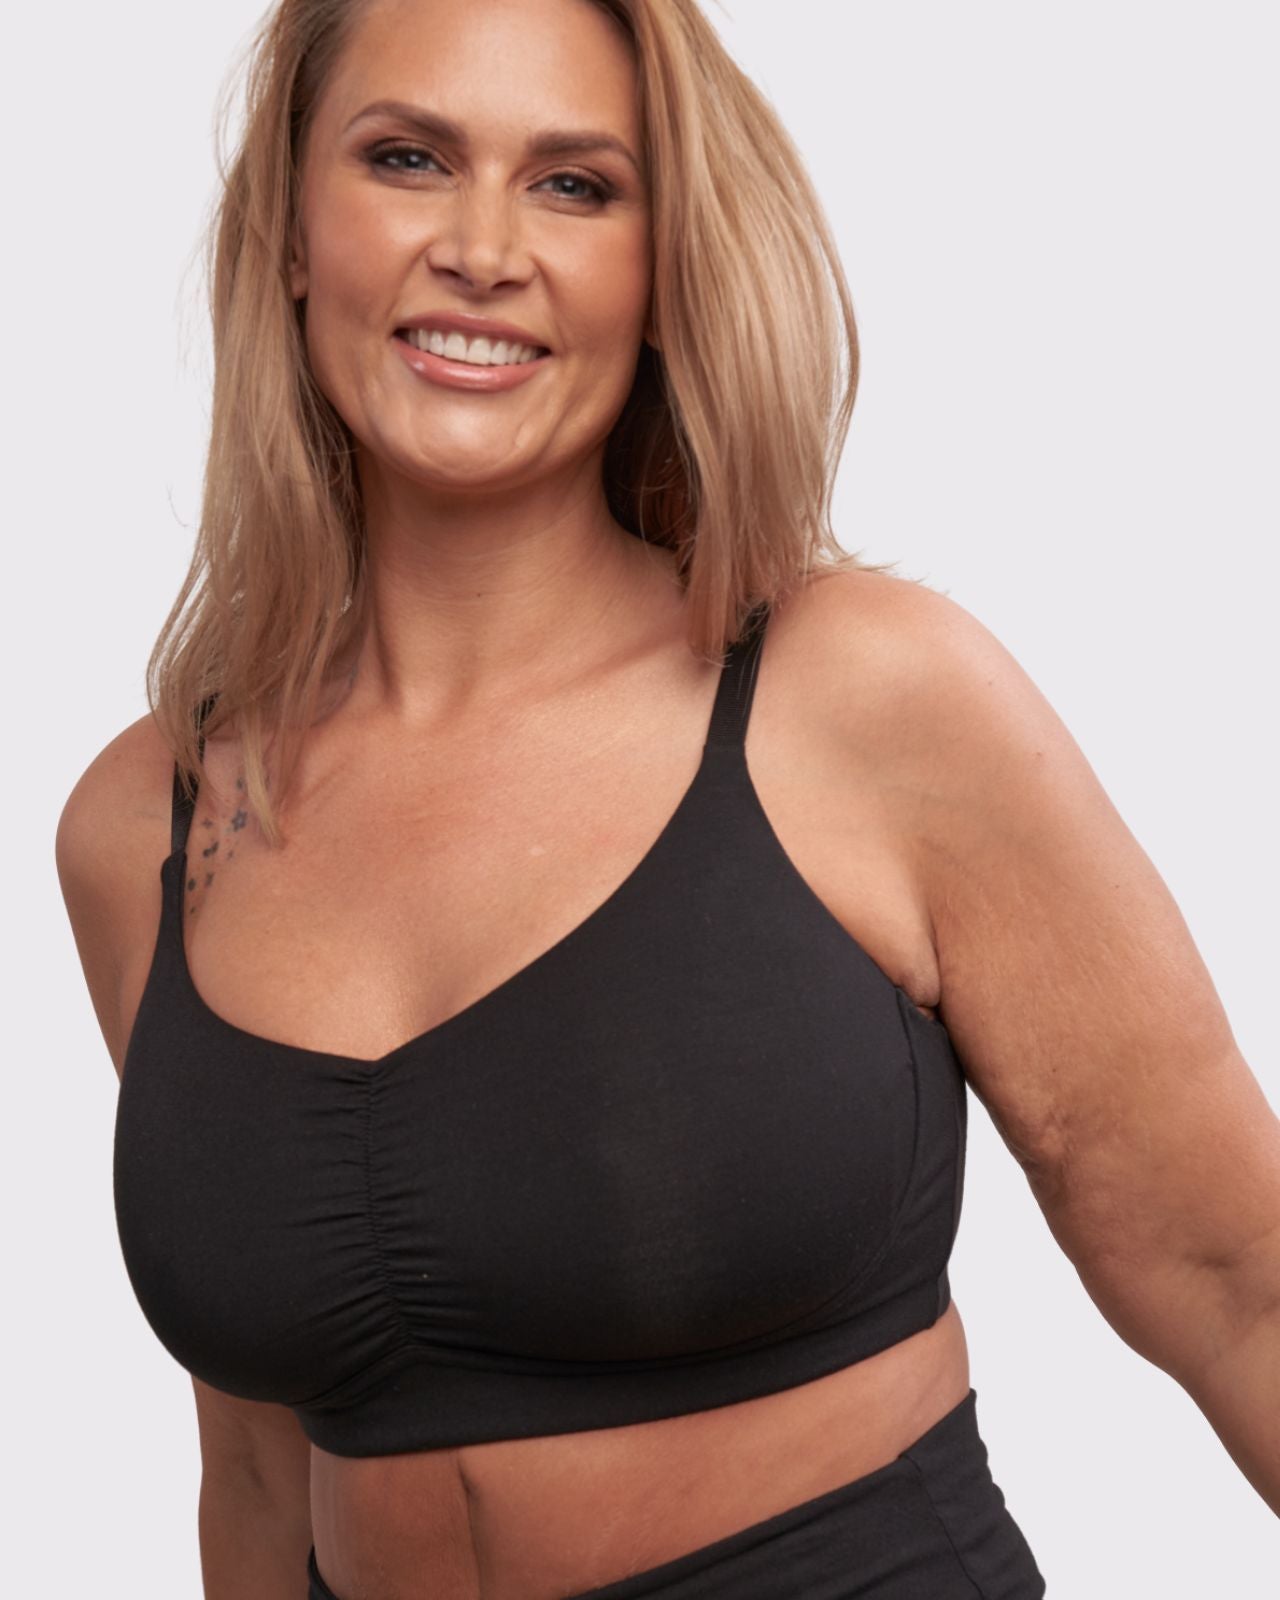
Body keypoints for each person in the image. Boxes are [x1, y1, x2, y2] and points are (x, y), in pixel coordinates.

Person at [55, 0, 1280, 1596]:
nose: (481, 250)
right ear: (292, 229)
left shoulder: (863, 699)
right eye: (408, 158)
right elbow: (253, 1467)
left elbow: (1236, 1281)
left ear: (661, 271)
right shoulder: (144, 827)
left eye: (576, 185)